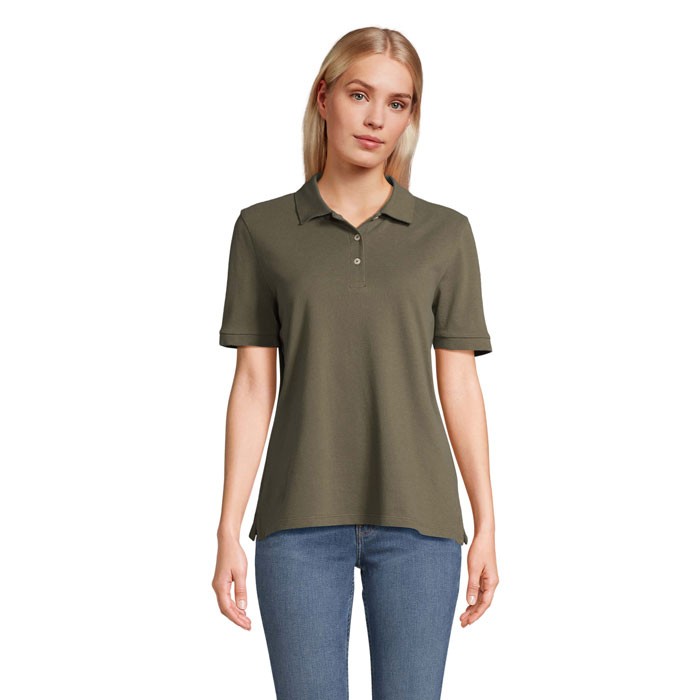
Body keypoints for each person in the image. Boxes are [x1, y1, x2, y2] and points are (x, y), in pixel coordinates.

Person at [212, 26, 499, 700]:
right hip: (297, 520)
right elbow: (253, 384)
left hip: (421, 520)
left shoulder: (446, 234)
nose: (376, 119)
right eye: (360, 95)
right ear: (324, 98)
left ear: (410, 117)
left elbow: (460, 383)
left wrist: (486, 522)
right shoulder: (262, 230)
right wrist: (227, 528)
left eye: (398, 103)